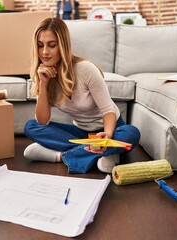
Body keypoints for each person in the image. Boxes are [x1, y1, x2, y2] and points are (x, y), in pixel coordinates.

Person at [23, 18, 140, 174]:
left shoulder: (85, 69)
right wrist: (43, 84)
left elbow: (108, 110)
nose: (44, 52)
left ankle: (60, 155)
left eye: (52, 45)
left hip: (110, 128)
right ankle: (106, 154)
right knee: (31, 126)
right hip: (81, 134)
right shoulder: (43, 74)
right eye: (40, 45)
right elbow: (43, 121)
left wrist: (107, 135)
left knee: (131, 133)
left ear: (63, 46)